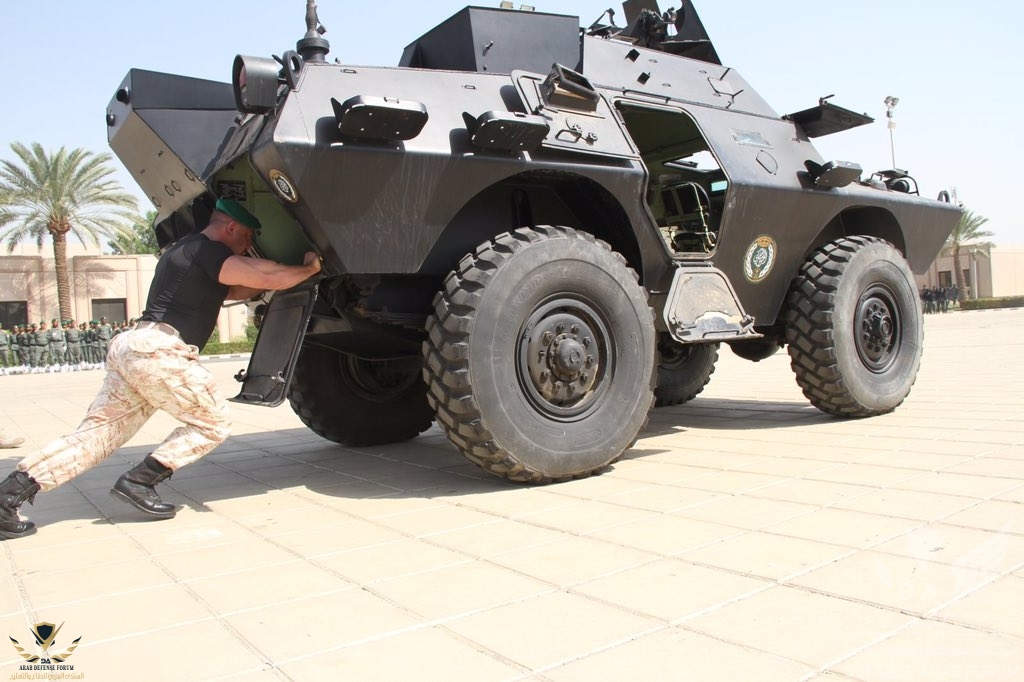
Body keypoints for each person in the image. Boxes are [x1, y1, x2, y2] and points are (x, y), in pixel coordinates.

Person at [0, 198, 321, 540]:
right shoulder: (208, 250)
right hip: (158, 351)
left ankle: (7, 497)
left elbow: (245, 285)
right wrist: (309, 269)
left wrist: (284, 278)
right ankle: (139, 481)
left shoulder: (183, 251)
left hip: (135, 347)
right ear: (230, 227)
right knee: (213, 422)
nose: (247, 247)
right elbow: (266, 274)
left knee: (97, 435)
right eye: (246, 238)